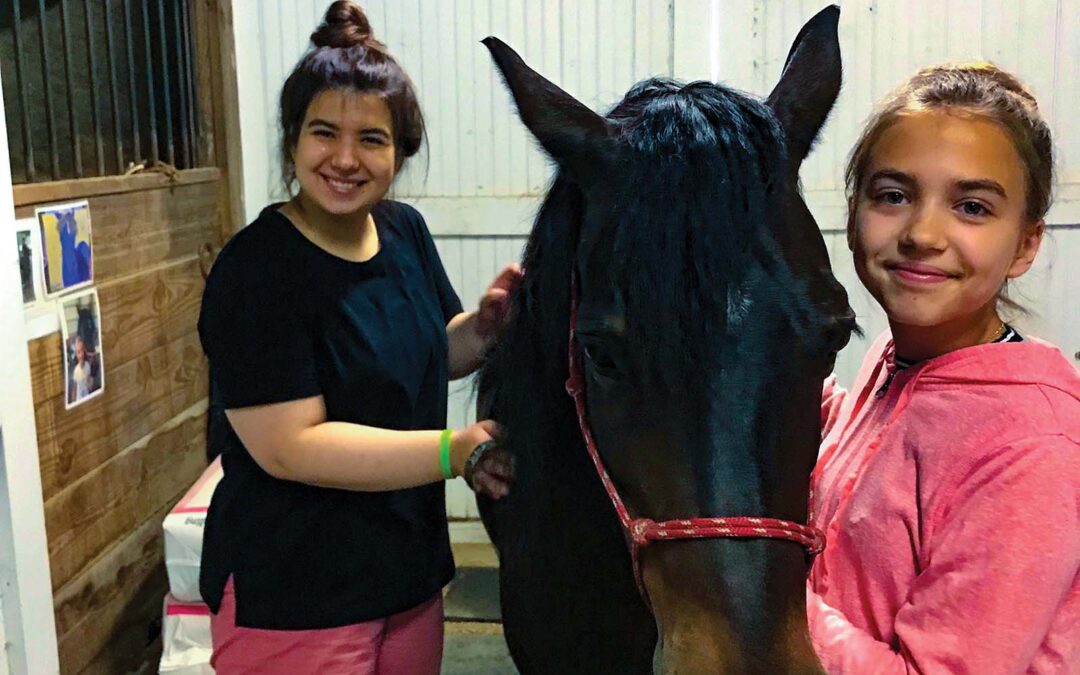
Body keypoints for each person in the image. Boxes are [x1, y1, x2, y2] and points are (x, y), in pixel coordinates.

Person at [197, 2, 517, 673]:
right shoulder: (256, 271)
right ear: (292, 140)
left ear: (399, 151)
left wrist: (484, 331)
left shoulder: (403, 233)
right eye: (323, 133)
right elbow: (291, 446)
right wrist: (448, 450)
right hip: (294, 589)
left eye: (371, 139)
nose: (345, 159)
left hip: (406, 576)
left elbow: (433, 351)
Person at [807, 63, 1079, 673]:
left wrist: (760, 595)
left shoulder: (1034, 449)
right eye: (894, 196)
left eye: (973, 207)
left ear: (1026, 245)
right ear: (853, 212)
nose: (923, 234)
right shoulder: (903, 360)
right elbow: (865, 454)